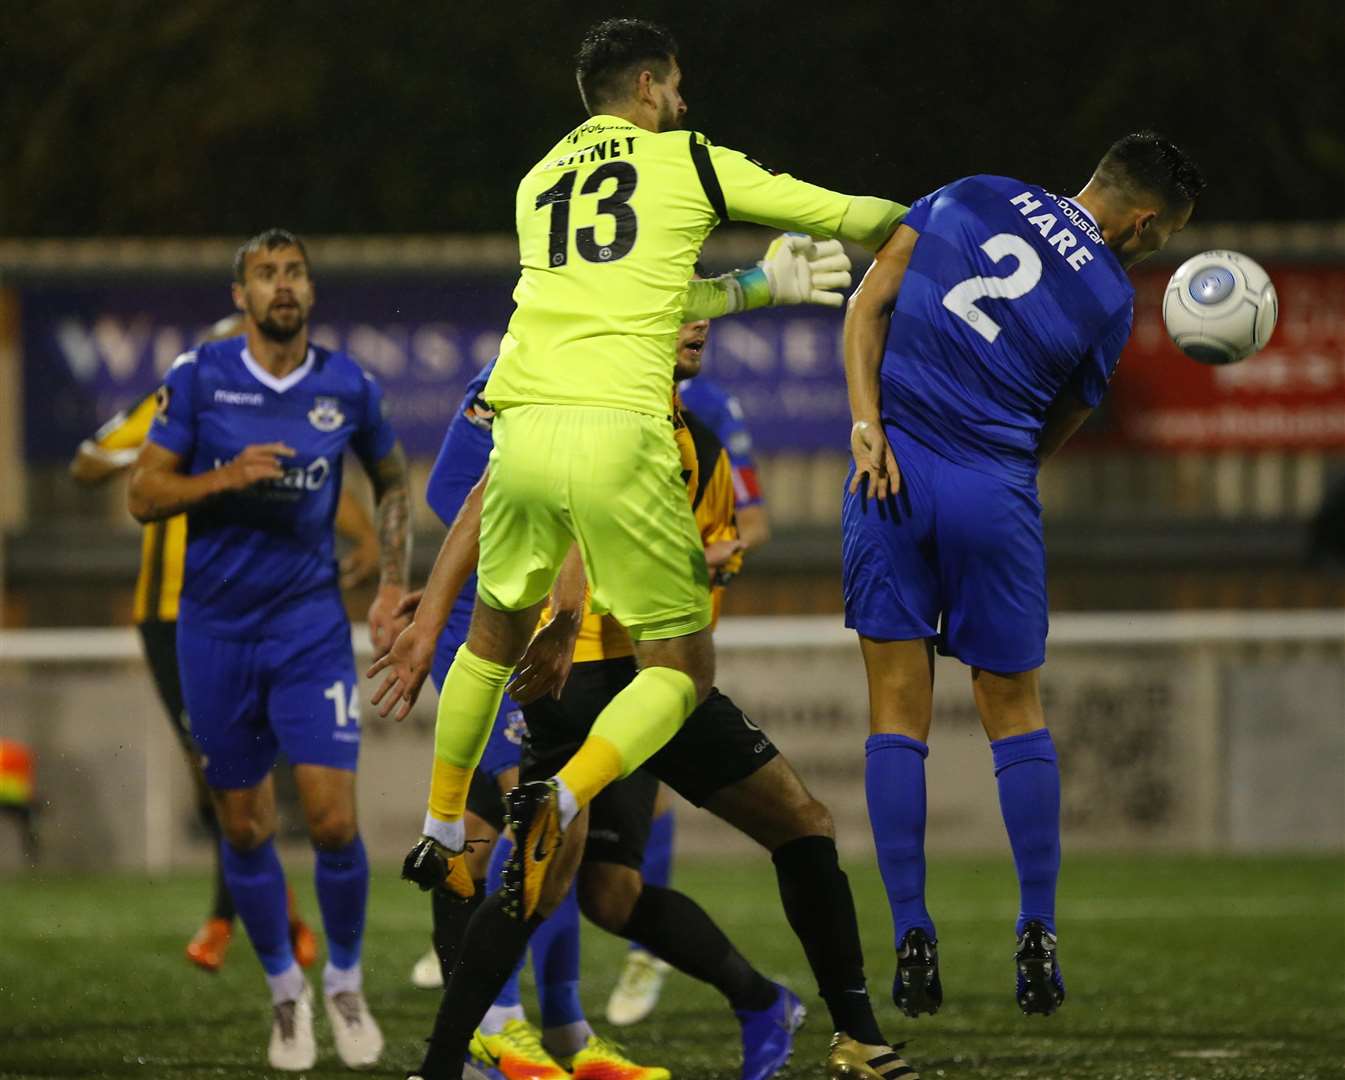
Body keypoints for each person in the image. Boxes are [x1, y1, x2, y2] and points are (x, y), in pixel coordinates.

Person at [369, 13, 904, 1051]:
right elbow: (472, 498)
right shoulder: (640, 355)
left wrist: (757, 287)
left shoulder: (547, 207)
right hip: (592, 670)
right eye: (678, 88)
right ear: (653, 84)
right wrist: (940, 223)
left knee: (642, 871)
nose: (692, 319)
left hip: (563, 589)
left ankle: (811, 1026)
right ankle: (493, 1034)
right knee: (557, 858)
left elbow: (652, 313)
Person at [842, 132, 1204, 1018]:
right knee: (1014, 711)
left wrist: (865, 423)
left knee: (896, 708)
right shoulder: (1109, 296)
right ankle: (1036, 930)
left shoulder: (971, 190)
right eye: (1159, 237)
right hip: (989, 487)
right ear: (1143, 221)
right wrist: (1000, 477)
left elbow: (868, 307)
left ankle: (910, 931)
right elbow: (1062, 420)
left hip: (889, 469)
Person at [127, 228, 411, 1072]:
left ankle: (346, 983)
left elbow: (391, 480)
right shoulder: (199, 376)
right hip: (212, 633)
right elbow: (143, 492)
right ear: (240, 294)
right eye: (264, 275)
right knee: (244, 827)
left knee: (331, 820)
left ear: (311, 292)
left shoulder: (347, 383)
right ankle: (286, 995)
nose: (281, 286)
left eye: (293, 273)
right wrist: (223, 477)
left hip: (307, 629)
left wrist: (393, 582)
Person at [69, 313, 378, 975]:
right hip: (174, 616)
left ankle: (229, 916)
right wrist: (164, 443)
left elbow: (324, 486)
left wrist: (369, 540)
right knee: (217, 772)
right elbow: (85, 466)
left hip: (268, 614)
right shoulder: (170, 406)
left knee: (240, 772)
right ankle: (263, 913)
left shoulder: (278, 414)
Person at [608, 296, 773, 1028]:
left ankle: (645, 955)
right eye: (675, 310)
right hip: (595, 627)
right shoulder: (605, 397)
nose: (693, 326)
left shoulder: (709, 411)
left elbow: (753, 521)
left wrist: (711, 555)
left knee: (653, 786)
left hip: (671, 630)